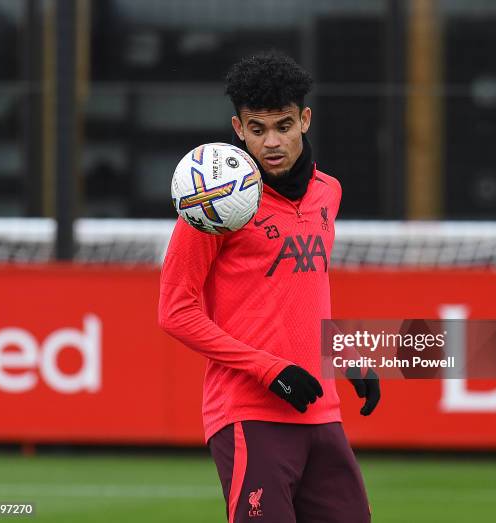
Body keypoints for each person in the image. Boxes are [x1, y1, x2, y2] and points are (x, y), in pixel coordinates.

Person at [159, 51, 380, 523]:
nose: (272, 141)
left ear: (304, 119)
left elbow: (303, 298)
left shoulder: (329, 192)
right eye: (257, 129)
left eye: (283, 125)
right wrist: (267, 369)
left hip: (322, 412)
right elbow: (175, 310)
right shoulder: (214, 205)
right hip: (249, 414)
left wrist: (343, 355)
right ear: (238, 129)